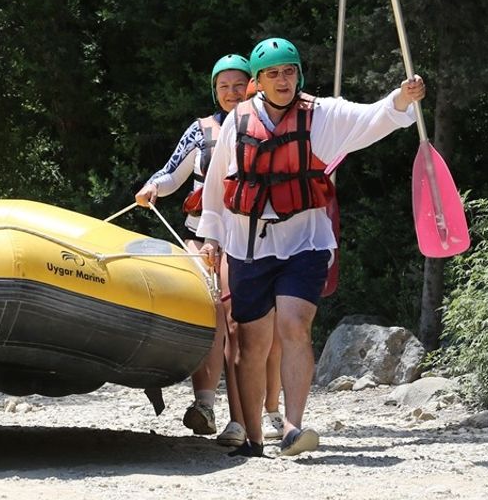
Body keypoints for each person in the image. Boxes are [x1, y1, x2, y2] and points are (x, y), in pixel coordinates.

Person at [198, 37, 424, 458]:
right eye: (272, 73)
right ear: (258, 81)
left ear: (298, 74)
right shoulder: (237, 123)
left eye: (289, 71)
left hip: (306, 241)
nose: (283, 80)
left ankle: (293, 427)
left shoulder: (320, 114)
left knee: (295, 326)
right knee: (251, 344)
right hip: (248, 246)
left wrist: (400, 97)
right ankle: (252, 437)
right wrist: (212, 237)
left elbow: (372, 116)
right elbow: (215, 189)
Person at [134, 55, 283, 447]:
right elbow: (170, 174)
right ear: (214, 91)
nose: (231, 93)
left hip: (250, 241)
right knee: (213, 314)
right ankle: (206, 405)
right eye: (223, 87)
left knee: (247, 327)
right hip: (201, 237)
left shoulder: (273, 124)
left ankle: (258, 414)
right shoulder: (201, 131)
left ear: (252, 84)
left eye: (238, 85)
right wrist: (152, 188)